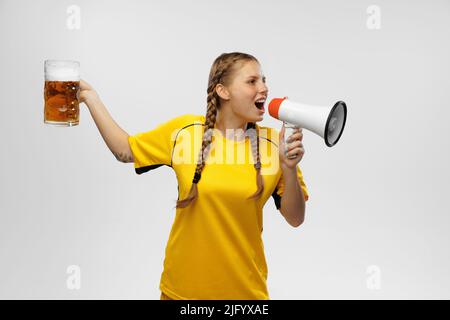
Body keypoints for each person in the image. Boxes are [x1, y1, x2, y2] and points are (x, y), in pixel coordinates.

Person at [79, 52, 309, 300]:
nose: (264, 88)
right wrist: (91, 98)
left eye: (264, 80)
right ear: (223, 91)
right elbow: (125, 150)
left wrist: (288, 167)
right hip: (180, 293)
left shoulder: (275, 144)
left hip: (245, 296)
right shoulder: (185, 132)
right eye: (252, 81)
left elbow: (295, 218)